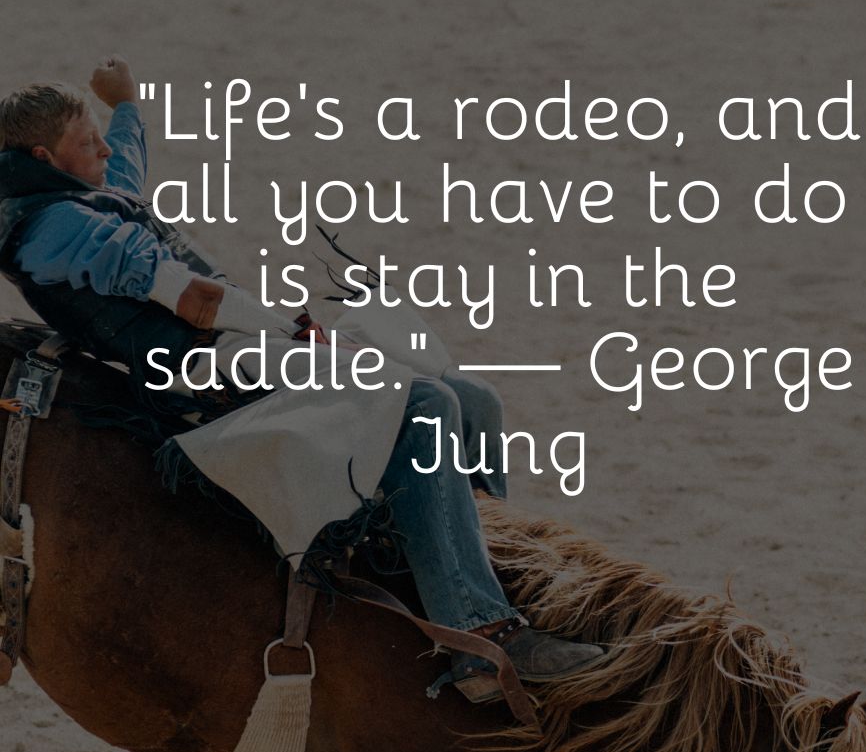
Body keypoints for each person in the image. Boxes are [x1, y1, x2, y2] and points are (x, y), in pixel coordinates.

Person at [0, 57, 602, 704]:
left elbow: (122, 169)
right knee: (423, 401)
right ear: (45, 155)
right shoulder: (58, 228)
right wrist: (293, 332)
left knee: (475, 398)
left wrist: (125, 107)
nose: (99, 148)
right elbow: (197, 300)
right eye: (84, 140)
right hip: (207, 373)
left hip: (237, 343)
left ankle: (479, 567)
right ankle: (477, 639)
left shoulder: (71, 191)